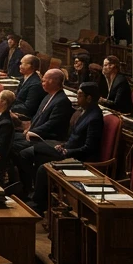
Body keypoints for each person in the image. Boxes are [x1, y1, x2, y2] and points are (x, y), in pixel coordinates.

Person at [28, 83, 105, 213]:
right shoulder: (83, 112)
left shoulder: (95, 118)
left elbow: (90, 147)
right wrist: (63, 145)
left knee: (42, 167)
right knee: (34, 151)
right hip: (67, 150)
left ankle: (38, 204)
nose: (77, 99)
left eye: (80, 95)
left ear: (89, 98)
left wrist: (68, 151)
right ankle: (37, 196)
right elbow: (75, 137)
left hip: (78, 158)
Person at [8, 67, 74, 196]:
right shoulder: (47, 97)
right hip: (35, 134)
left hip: (49, 139)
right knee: (8, 139)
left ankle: (29, 185)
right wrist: (27, 127)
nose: (42, 83)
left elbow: (51, 125)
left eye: (44, 80)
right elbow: (37, 117)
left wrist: (31, 132)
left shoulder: (62, 101)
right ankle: (17, 181)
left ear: (54, 82)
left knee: (15, 147)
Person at [9, 55, 45, 121]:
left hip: (25, 117)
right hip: (17, 110)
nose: (20, 66)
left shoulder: (35, 84)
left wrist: (9, 107)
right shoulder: (24, 78)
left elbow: (29, 108)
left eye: (22, 63)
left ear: (30, 66)